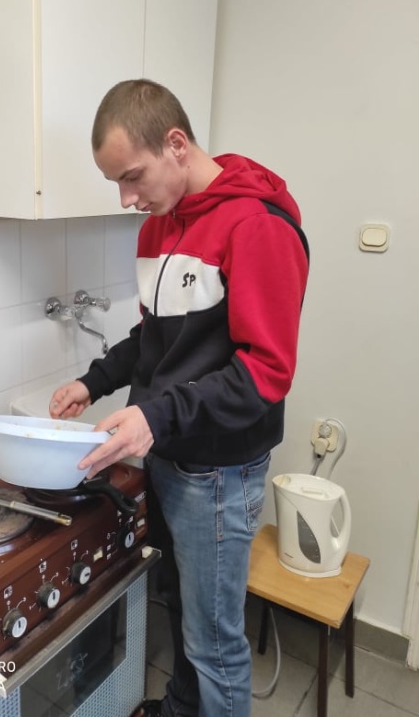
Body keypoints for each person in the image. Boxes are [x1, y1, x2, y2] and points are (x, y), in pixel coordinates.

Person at [49, 79, 309, 717]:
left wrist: (155, 414)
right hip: (168, 453)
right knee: (184, 612)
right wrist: (93, 381)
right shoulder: (159, 229)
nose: (127, 198)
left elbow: (265, 373)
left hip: (216, 473)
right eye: (115, 183)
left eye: (132, 177)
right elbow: (156, 339)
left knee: (215, 645)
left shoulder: (258, 226)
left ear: (175, 144)